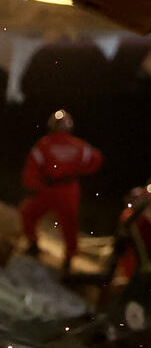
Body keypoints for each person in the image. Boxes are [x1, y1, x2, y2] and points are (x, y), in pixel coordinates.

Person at [19, 109, 103, 273]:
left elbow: (31, 168)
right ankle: (69, 257)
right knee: (69, 224)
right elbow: (96, 159)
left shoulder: (44, 144)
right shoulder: (78, 145)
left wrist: (31, 185)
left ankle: (34, 244)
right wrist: (80, 169)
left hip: (50, 188)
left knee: (30, 213)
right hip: (67, 189)